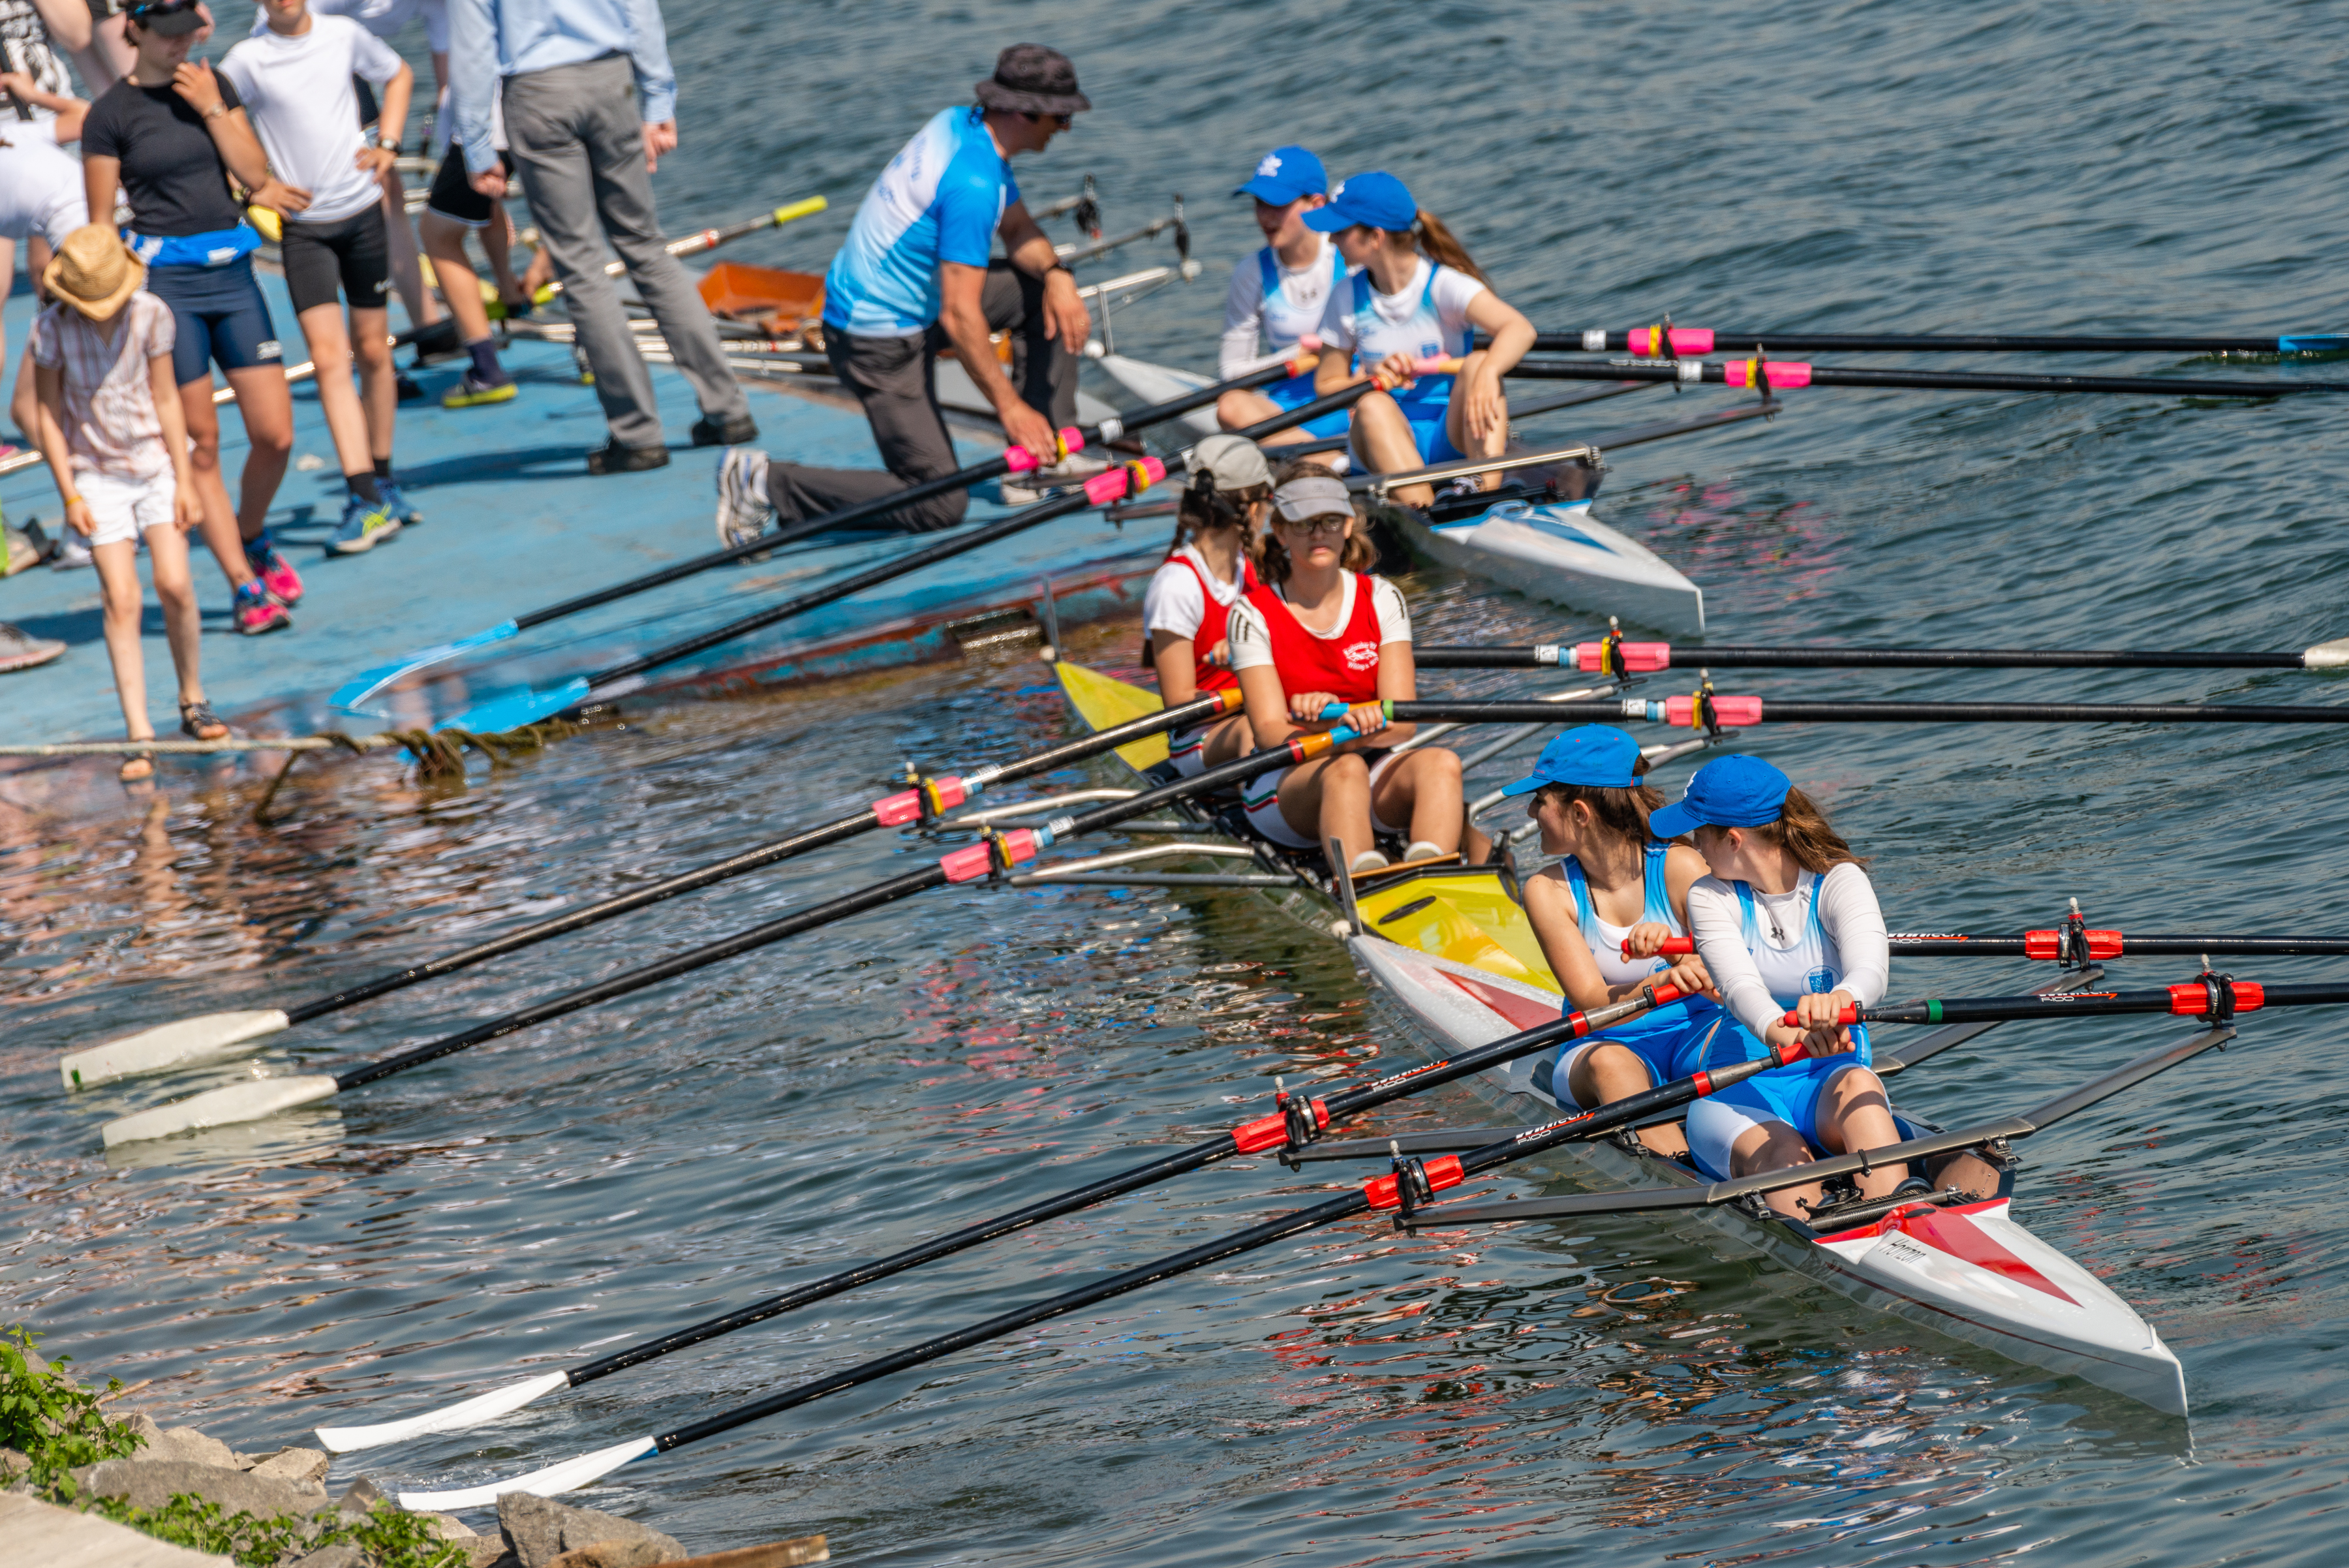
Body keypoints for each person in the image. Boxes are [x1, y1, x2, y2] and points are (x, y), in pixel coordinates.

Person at [713, 44, 1095, 547]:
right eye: (1062, 119)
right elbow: (961, 318)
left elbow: (1019, 228)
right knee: (939, 503)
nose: (1064, 130)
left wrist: (1059, 274)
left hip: (910, 306)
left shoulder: (964, 125)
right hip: (873, 340)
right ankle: (763, 482)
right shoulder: (973, 182)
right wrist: (1011, 409)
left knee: (1039, 289)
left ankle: (1042, 464)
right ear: (1026, 112)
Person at [448, 0, 753, 474]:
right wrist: (658, 98)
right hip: (610, 78)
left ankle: (638, 435)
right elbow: (640, 9)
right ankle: (729, 410)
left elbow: (471, 48)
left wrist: (477, 144)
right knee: (647, 248)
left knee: (581, 266)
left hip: (538, 91)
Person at [82, 0, 298, 632]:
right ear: (136, 30)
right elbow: (100, 225)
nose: (181, 45)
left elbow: (256, 178)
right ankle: (242, 587)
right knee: (202, 441)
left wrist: (210, 105)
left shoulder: (213, 84)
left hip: (233, 276)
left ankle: (250, 534)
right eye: (168, 35)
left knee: (275, 433)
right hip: (167, 290)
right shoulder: (108, 117)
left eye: (189, 33)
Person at [1651, 755, 1918, 1217]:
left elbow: (1871, 972)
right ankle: (1836, 1247)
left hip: (1829, 1075)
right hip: (1739, 1089)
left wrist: (1840, 1001)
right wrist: (1783, 1030)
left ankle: (1901, 1224)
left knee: (1862, 1093)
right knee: (1782, 1154)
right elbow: (1738, 988)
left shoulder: (1839, 880)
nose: (1693, 846)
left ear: (1733, 840)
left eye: (1699, 834)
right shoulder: (1709, 895)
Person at [220, 0, 416, 551]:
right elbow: (217, 122)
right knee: (331, 359)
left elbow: (399, 74)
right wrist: (257, 188)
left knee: (375, 351)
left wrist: (389, 145)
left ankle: (383, 478)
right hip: (305, 230)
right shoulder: (246, 61)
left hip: (363, 216)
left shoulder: (344, 35)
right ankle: (363, 499)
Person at [29, 224, 221, 782]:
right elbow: (47, 414)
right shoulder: (49, 330)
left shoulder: (151, 314)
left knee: (176, 583)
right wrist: (67, 491)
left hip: (157, 462)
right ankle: (139, 731)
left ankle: (192, 700)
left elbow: (166, 396)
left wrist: (185, 479)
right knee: (121, 597)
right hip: (95, 474)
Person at [1228, 467, 1487, 875]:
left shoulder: (1383, 597)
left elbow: (1402, 725)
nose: (1319, 533)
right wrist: (1333, 729)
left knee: (1442, 764)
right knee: (1345, 770)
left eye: (1330, 520)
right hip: (1285, 780)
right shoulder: (1251, 614)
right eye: (1303, 523)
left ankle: (1436, 876)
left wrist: (1359, 724)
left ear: (1348, 525)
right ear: (1280, 532)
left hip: (1374, 760)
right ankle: (1365, 885)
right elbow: (1268, 731)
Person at [1503, 726, 1729, 1156]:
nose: (1532, 811)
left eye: (1541, 800)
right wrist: (1667, 981)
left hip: (1695, 1032)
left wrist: (1698, 969)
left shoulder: (1682, 867)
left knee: (1744, 1040)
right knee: (1612, 1064)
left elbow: (1731, 978)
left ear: (1581, 813)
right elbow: (1592, 1001)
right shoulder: (1548, 890)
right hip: (1605, 1045)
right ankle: (1679, 1173)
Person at [1306, 172, 1535, 508]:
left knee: (1478, 364)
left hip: (1450, 433)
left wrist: (1488, 372)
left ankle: (1486, 492)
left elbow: (1519, 329)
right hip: (1382, 440)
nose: (1330, 241)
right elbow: (1326, 384)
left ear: (1375, 237)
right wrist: (1371, 379)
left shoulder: (1443, 285)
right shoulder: (1345, 297)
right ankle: (1429, 513)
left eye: (1340, 231)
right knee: (1372, 404)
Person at [247, 0, 450, 354]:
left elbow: (431, 73)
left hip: (351, 77)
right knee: (342, 220)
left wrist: (392, 145)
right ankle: (365, 345)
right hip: (297, 87)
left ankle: (428, 329)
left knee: (389, 203)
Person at [1141, 433, 1268, 775]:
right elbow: (1180, 704)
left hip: (1261, 711)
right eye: (1267, 497)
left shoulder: (1252, 565)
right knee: (1252, 732)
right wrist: (1256, 687)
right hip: (1200, 736)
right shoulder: (1177, 585)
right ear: (1252, 505)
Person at [1215, 145, 1347, 457]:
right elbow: (1231, 373)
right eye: (1260, 203)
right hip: (1286, 415)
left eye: (1277, 204)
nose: (1265, 217)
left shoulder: (1347, 254)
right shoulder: (1251, 273)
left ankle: (1318, 461)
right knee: (1230, 406)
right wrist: (1293, 355)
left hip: (1348, 391)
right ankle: (1330, 462)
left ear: (1316, 204)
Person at [418, 79, 534, 407]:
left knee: (438, 235)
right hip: (549, 108)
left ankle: (486, 370)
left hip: (488, 125)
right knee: (562, 221)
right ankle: (511, 291)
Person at [1, 70, 88, 461]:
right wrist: (35, 94)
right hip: (119, 241)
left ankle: (97, 493)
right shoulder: (17, 137)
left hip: (91, 265)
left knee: (29, 408)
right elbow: (85, 114)